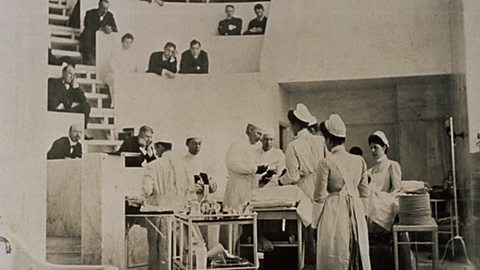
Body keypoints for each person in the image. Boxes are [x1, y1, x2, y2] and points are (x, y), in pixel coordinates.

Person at [142, 135, 218, 270]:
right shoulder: (183, 166)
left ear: (159, 148)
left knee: (158, 251)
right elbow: (191, 189)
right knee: (179, 251)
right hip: (180, 215)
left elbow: (146, 190)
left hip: (159, 214)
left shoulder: (152, 166)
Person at [314, 114, 371, 270]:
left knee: (335, 251)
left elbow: (319, 197)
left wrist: (314, 224)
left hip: (334, 211)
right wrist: (362, 217)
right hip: (356, 210)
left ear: (329, 140)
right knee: (355, 249)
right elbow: (365, 193)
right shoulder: (359, 161)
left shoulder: (325, 162)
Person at [279, 103, 326, 266]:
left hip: (305, 187)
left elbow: (293, 175)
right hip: (322, 184)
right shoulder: (321, 141)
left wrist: (280, 180)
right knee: (323, 223)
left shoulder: (293, 145)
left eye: (291, 124)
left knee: (308, 226)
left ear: (296, 124)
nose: (291, 127)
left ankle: (310, 262)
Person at [48, 63, 92, 134]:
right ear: (63, 73)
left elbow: (83, 100)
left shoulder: (72, 89)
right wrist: (57, 104)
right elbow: (50, 98)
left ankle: (81, 131)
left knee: (86, 106)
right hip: (56, 112)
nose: (71, 77)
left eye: (73, 75)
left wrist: (76, 87)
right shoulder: (53, 82)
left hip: (67, 112)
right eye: (70, 74)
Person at [105, 33, 140, 108]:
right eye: (126, 42)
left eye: (130, 43)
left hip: (127, 76)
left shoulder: (133, 54)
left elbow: (135, 68)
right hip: (115, 75)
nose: (128, 44)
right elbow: (112, 66)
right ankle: (114, 104)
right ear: (122, 42)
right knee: (116, 81)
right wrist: (121, 74)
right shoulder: (116, 52)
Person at [80, 0, 118, 65]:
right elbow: (88, 25)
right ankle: (87, 60)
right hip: (90, 38)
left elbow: (115, 29)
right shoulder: (90, 13)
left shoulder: (110, 15)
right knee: (87, 33)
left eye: (107, 9)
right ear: (99, 6)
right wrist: (101, 29)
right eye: (103, 8)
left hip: (102, 40)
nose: (105, 11)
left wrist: (110, 29)